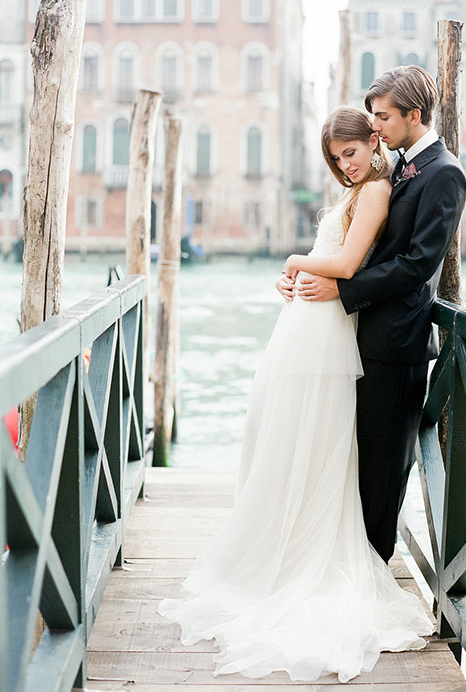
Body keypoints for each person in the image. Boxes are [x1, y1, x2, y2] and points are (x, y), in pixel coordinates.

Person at [158, 105, 433, 683]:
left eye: (351, 153)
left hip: (327, 333)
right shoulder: (361, 189)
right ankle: (279, 549)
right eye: (336, 159)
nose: (345, 165)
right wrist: (296, 278)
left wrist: (291, 261)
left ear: (373, 142)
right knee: (283, 437)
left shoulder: (378, 190)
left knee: (315, 439)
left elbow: (347, 263)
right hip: (310, 326)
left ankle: (307, 554)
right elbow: (332, 265)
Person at [278, 65, 466, 564]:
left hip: (396, 343)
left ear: (414, 114)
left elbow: (417, 265)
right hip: (361, 336)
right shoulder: (396, 167)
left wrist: (341, 290)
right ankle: (349, 564)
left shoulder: (444, 173)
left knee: (383, 470)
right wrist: (308, 279)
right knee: (355, 462)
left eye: (383, 117)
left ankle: (373, 572)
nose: (375, 126)